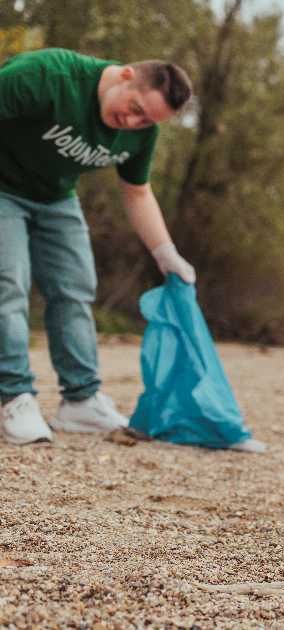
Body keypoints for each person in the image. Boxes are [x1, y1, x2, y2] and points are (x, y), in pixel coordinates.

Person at [1, 48, 196, 445]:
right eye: (136, 108)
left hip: (56, 198)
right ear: (125, 75)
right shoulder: (46, 77)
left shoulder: (142, 132)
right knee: (8, 284)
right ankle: (14, 397)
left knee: (75, 289)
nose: (134, 122)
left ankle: (80, 400)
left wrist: (165, 253)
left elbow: (138, 193)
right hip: (2, 188)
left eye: (148, 120)